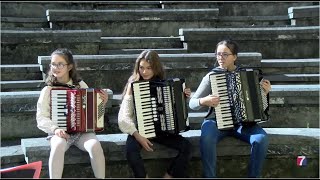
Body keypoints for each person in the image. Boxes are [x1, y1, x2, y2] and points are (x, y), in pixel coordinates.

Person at [189, 39, 271, 178]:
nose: (221, 57)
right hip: (216, 122)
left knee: (261, 139)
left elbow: (260, 105)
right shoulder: (211, 76)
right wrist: (204, 100)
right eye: (218, 54)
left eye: (225, 54)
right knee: (207, 138)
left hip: (243, 124)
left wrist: (265, 93)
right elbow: (192, 103)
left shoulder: (249, 76)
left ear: (235, 56)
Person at [118, 50, 192, 178]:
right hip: (138, 130)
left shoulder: (163, 84)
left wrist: (183, 96)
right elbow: (123, 117)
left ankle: (168, 176)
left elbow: (173, 109)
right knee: (131, 151)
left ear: (156, 68)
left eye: (149, 68)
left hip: (161, 131)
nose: (144, 72)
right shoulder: (133, 85)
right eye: (141, 68)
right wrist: (138, 136)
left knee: (187, 147)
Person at [36, 48, 108, 179]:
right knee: (57, 146)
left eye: (60, 64)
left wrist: (102, 102)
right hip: (59, 133)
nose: (56, 67)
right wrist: (55, 128)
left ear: (69, 66)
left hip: (81, 133)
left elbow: (92, 110)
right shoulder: (48, 90)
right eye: (53, 64)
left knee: (95, 145)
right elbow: (41, 117)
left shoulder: (80, 85)